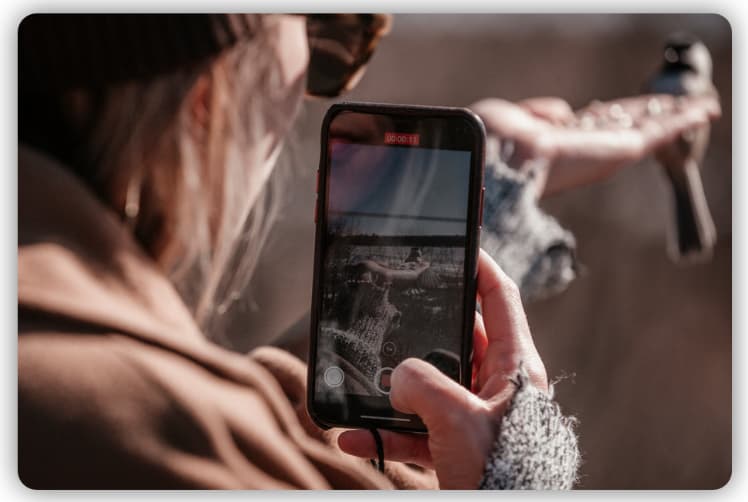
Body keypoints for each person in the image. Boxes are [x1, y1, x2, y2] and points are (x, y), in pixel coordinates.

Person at [18, 14, 720, 489]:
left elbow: (267, 425)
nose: (306, 91)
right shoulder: (157, 433)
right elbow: (230, 439)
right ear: (211, 93)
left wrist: (486, 201)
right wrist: (514, 473)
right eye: (308, 32)